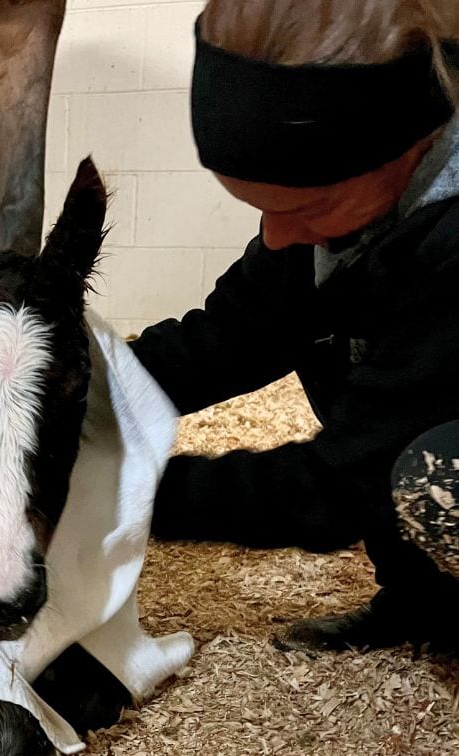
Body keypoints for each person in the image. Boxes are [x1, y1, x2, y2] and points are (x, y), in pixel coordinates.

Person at [130, 0, 459, 651]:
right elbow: (232, 336)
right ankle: (423, 602)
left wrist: (121, 496)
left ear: (412, 142)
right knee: (334, 332)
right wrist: (73, 384)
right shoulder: (348, 208)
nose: (277, 237)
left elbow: (346, 485)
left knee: (438, 470)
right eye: (259, 209)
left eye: (308, 208)